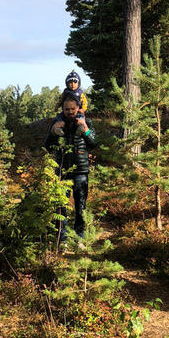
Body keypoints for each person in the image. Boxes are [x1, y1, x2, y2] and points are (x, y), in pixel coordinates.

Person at [45, 93, 96, 241]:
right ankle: (62, 239)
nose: (70, 112)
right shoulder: (57, 123)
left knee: (80, 207)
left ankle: (80, 237)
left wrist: (85, 128)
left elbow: (93, 143)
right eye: (67, 109)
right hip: (62, 172)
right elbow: (48, 146)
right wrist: (54, 132)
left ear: (78, 108)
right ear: (63, 109)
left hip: (81, 171)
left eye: (72, 109)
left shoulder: (86, 121)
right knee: (61, 207)